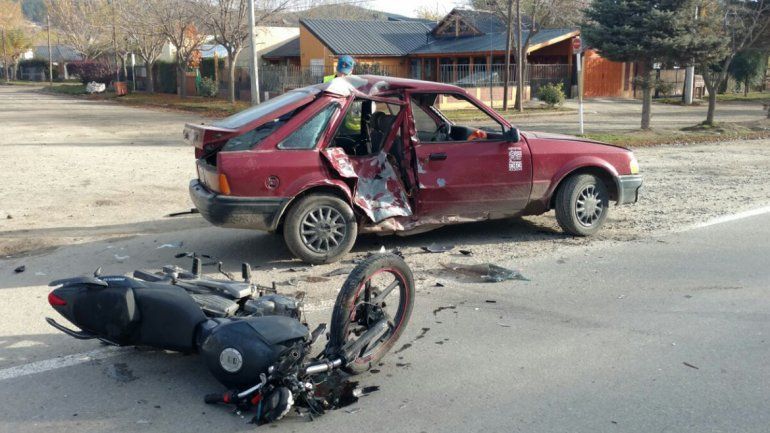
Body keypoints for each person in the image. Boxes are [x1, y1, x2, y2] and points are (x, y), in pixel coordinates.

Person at [324, 55, 361, 135]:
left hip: (351, 129)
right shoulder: (326, 81)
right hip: (329, 124)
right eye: (340, 72)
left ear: (351, 70)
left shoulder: (358, 83)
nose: (342, 76)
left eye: (345, 73)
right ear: (336, 69)